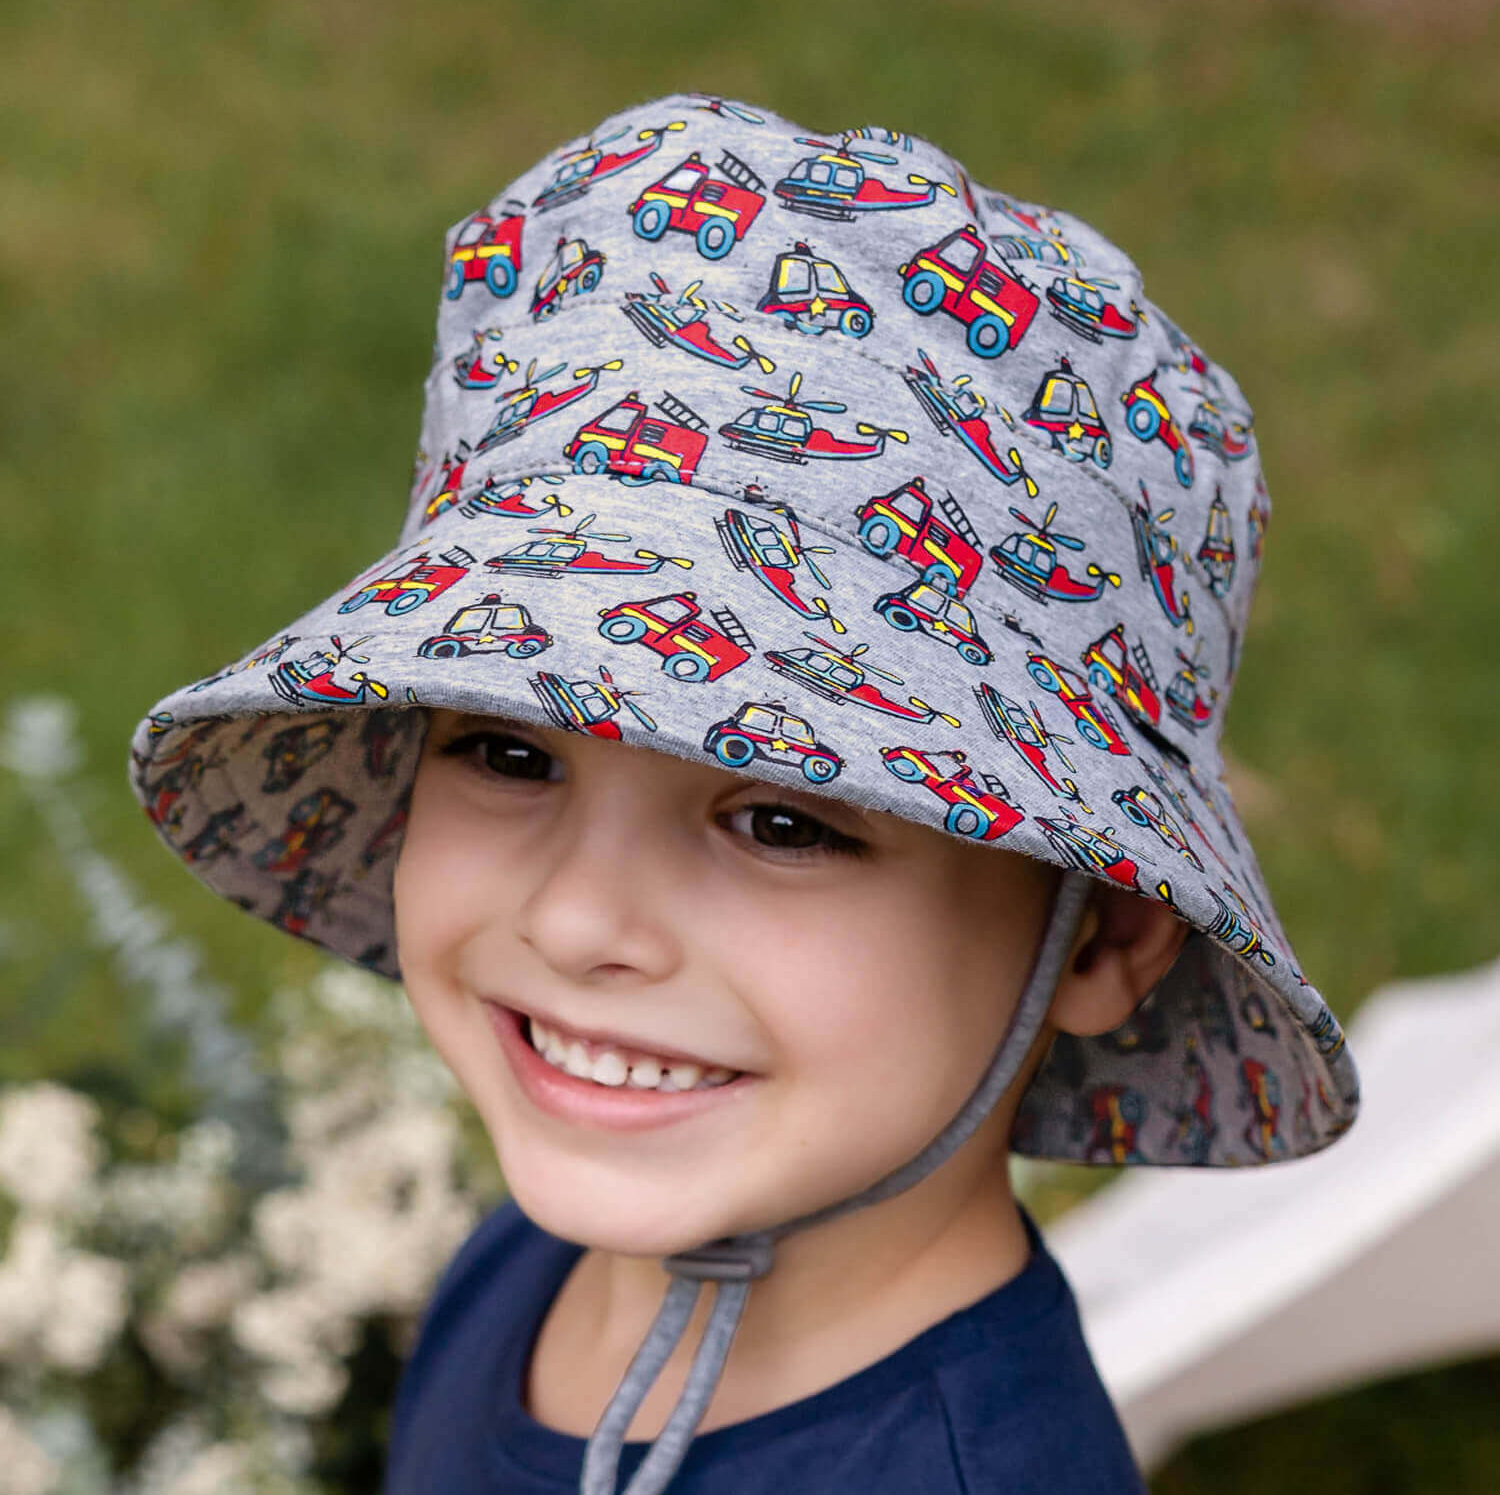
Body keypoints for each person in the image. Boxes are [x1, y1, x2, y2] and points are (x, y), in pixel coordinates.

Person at [128, 92, 1361, 1495]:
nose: (583, 921)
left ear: (1103, 932)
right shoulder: (561, 1254)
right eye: (513, 752)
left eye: (784, 820)